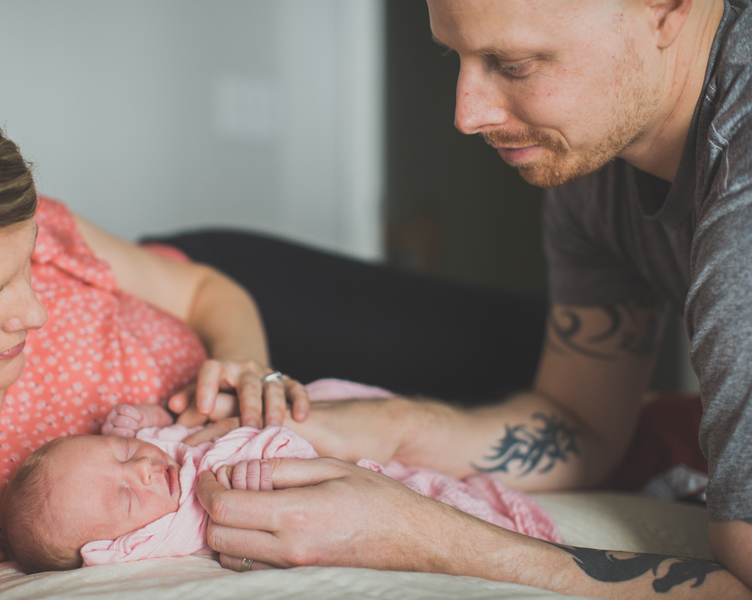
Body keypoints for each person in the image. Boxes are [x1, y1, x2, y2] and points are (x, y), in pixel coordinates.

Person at [194, 0, 752, 598]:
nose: (466, 114)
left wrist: (423, 537)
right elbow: (581, 426)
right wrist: (387, 428)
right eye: (454, 55)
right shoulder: (593, 166)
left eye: (512, 64)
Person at [0, 71, 309, 600]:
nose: (37, 311)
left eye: (28, 260)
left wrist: (246, 368)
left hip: (242, 299)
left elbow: (205, 292)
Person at [0, 383, 561, 573]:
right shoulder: (157, 535)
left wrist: (144, 422)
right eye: (126, 494)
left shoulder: (160, 457)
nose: (144, 469)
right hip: (285, 459)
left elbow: (171, 432)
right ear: (112, 547)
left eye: (122, 451)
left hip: (309, 425)